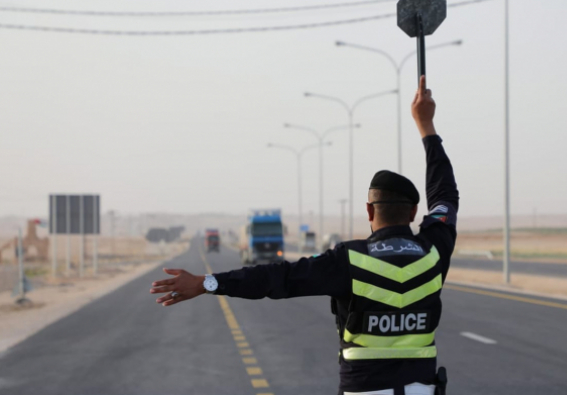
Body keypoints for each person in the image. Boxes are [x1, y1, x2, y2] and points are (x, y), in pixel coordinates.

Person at [150, 75, 458, 395]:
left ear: (369, 211)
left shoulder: (348, 260)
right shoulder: (434, 251)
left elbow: (277, 278)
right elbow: (445, 195)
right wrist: (426, 126)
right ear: (412, 213)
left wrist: (205, 283)